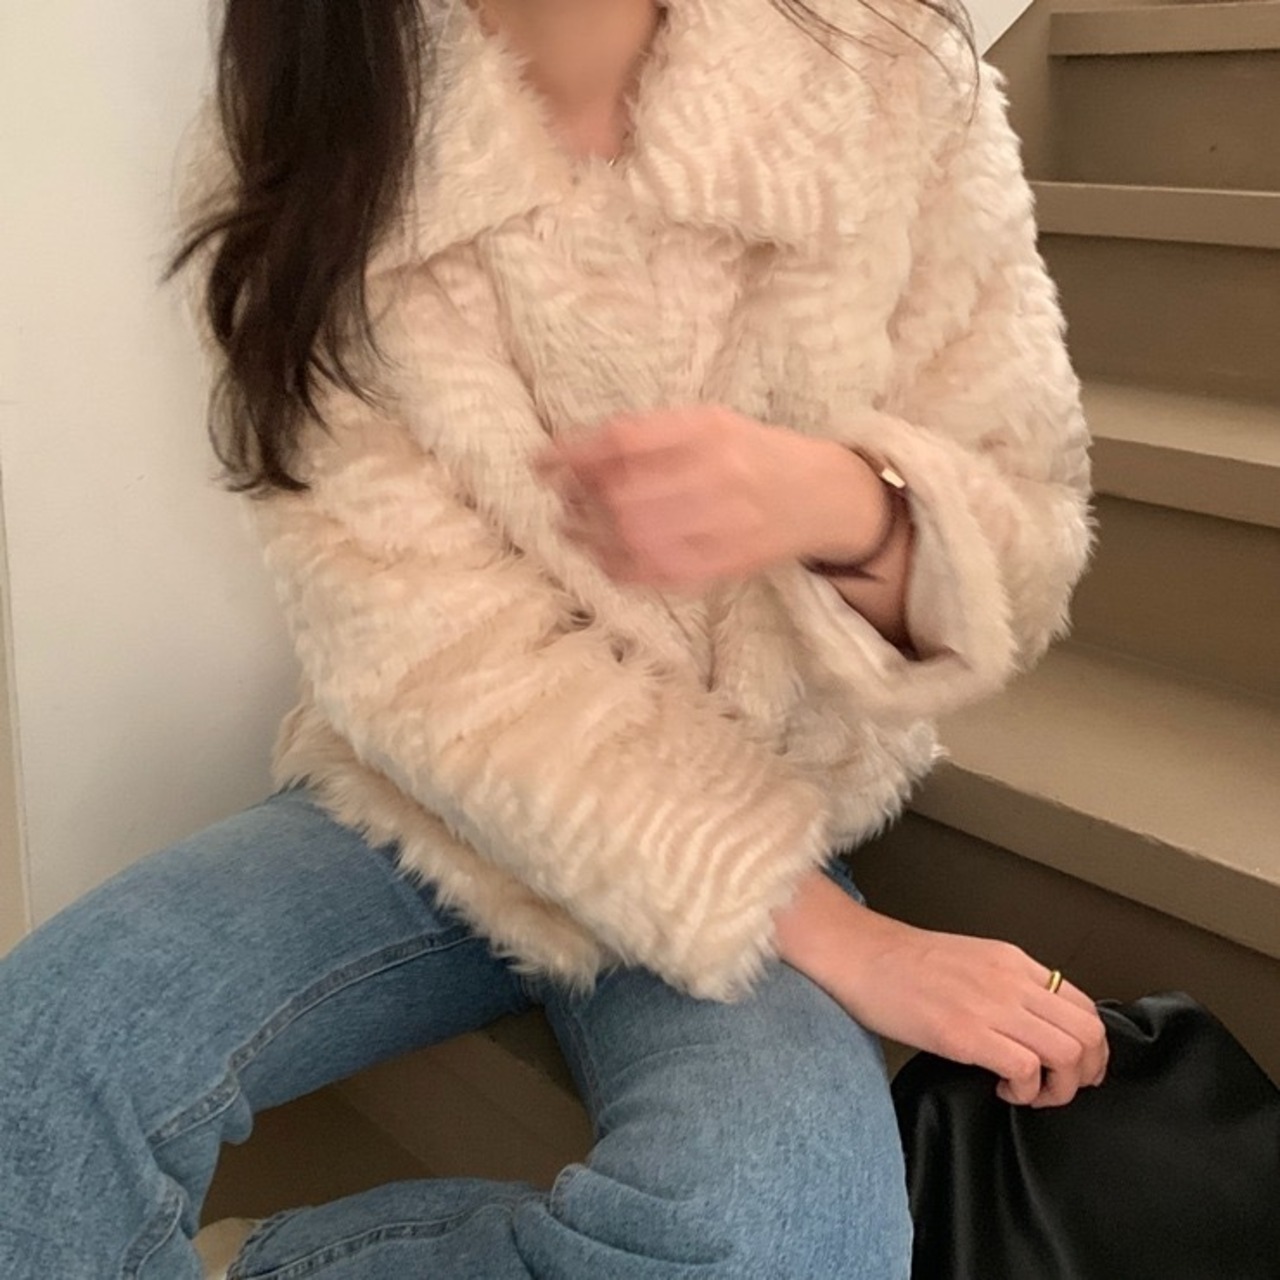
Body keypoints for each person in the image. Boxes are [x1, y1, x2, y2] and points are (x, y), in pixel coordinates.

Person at [0, 1, 1108, 1276]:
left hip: (758, 812)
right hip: (440, 805)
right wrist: (845, 940)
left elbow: (1025, 529)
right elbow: (428, 654)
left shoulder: (886, 68)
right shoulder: (308, 134)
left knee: (776, 1239)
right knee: (37, 1061)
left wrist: (840, 501)